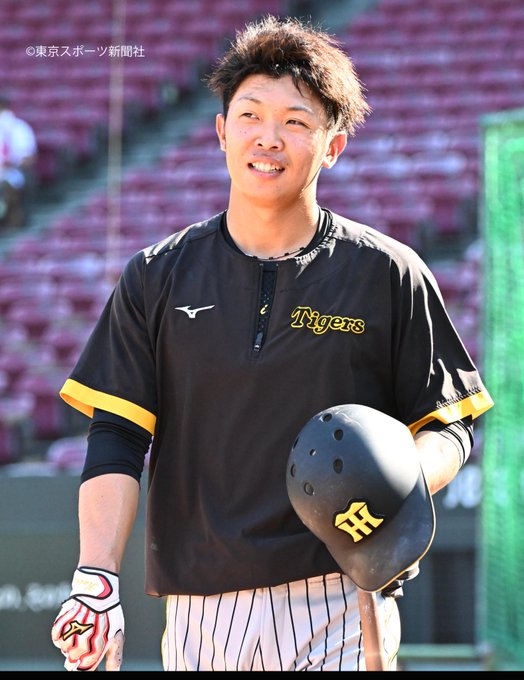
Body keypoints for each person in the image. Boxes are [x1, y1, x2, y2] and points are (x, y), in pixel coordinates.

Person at [51, 15, 494, 672]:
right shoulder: (156, 274)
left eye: (295, 121)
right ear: (221, 132)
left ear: (332, 146)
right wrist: (96, 575)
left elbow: (449, 427)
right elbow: (117, 435)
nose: (268, 137)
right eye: (251, 115)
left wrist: (398, 477)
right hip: (202, 607)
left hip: (347, 595)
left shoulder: (388, 272)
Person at [0, 92, 37, 230]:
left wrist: (11, 163)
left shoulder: (19, 128)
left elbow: (29, 158)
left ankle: (12, 221)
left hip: (14, 172)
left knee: (8, 185)